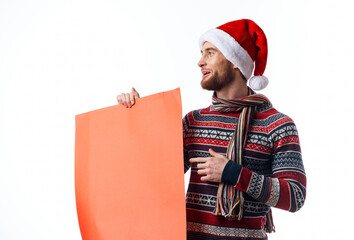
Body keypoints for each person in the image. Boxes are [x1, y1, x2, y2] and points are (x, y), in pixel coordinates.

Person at [117, 19, 306, 240]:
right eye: (201, 53)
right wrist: (137, 118)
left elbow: (295, 196)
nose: (200, 61)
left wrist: (233, 173)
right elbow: (155, 177)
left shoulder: (277, 125)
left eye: (210, 53)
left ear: (235, 61)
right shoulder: (193, 121)